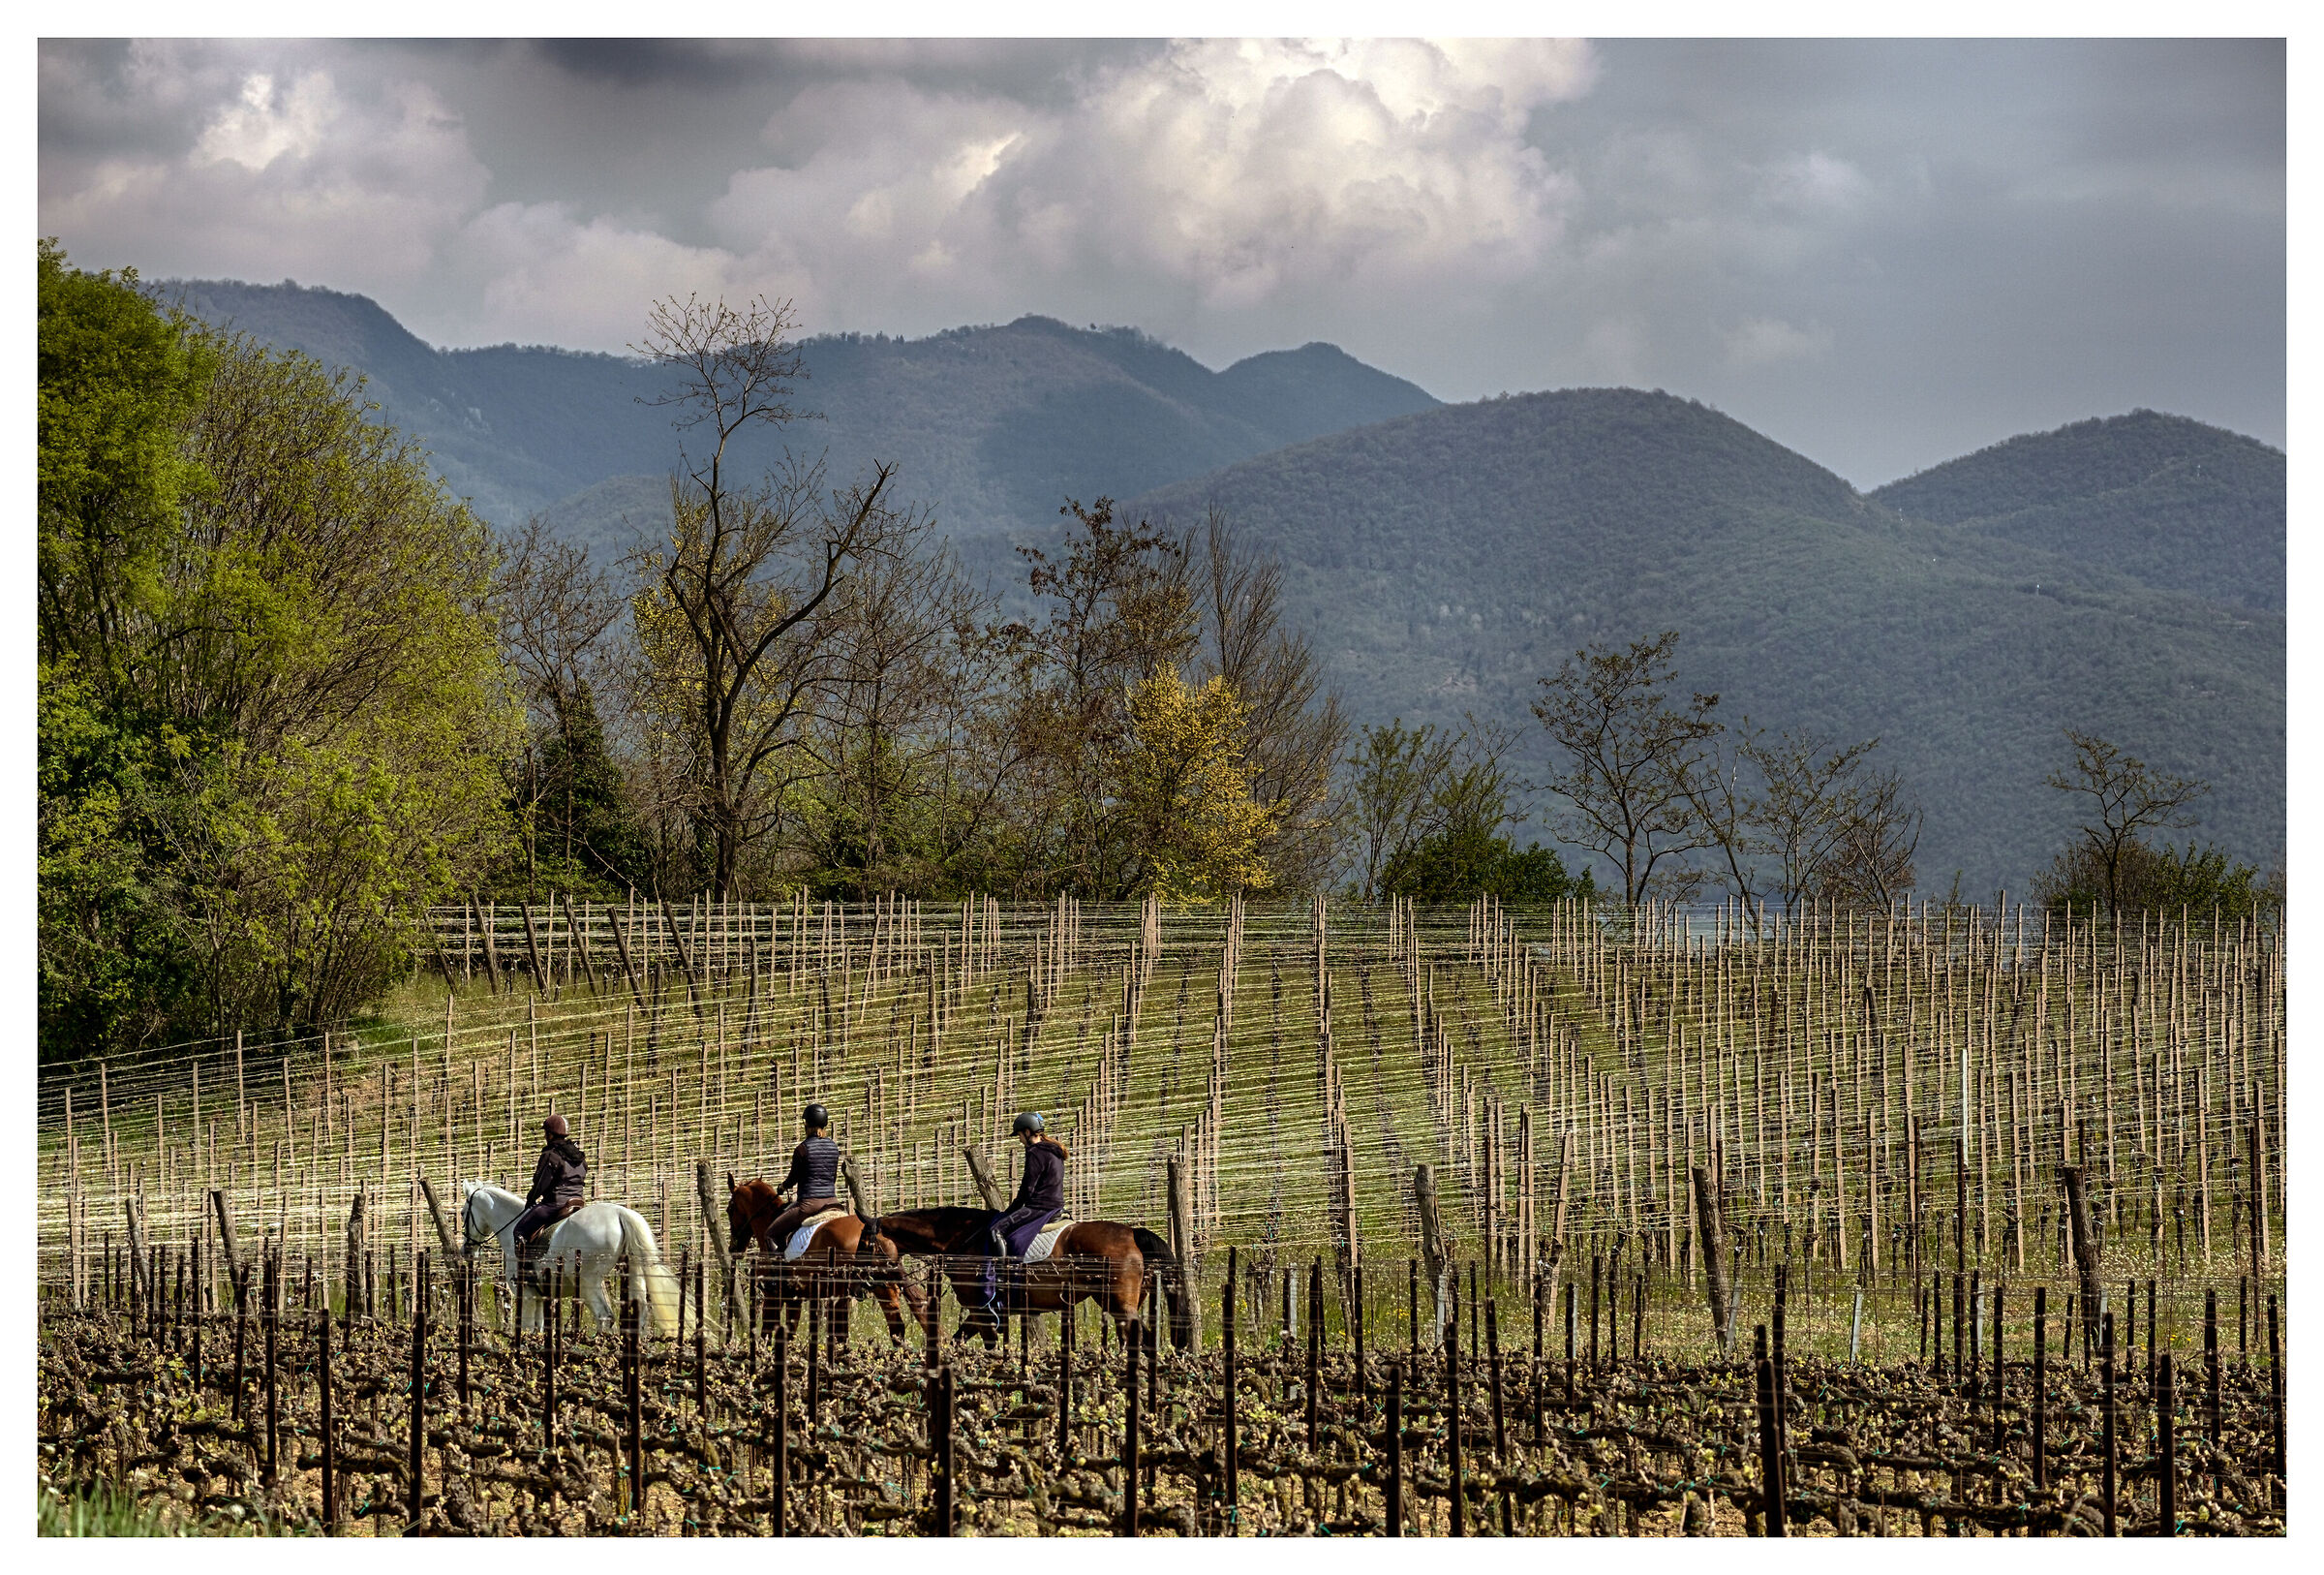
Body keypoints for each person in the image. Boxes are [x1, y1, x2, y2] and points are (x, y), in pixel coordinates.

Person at [979, 1112, 1068, 1311]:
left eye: (1019, 1135)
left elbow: (1027, 1190)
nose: (1019, 1140)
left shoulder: (1036, 1152)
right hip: (1055, 1204)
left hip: (1039, 1206)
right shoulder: (1053, 1150)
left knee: (996, 1230)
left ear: (1028, 1132)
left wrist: (1009, 1211)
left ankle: (1002, 1281)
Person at [764, 1103, 842, 1250]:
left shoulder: (802, 1149)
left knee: (770, 1233)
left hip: (808, 1206)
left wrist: (782, 1187)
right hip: (832, 1202)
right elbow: (833, 1177)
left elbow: (793, 1179)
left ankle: (781, 1268)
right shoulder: (833, 1147)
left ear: (806, 1124)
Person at [513, 1113, 587, 1254]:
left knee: (520, 1230)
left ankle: (527, 1272)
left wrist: (531, 1198)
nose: (545, 1137)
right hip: (578, 1201)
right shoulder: (578, 1155)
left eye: (546, 1133)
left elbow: (541, 1183)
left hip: (555, 1204)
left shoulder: (551, 1155)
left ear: (551, 1135)